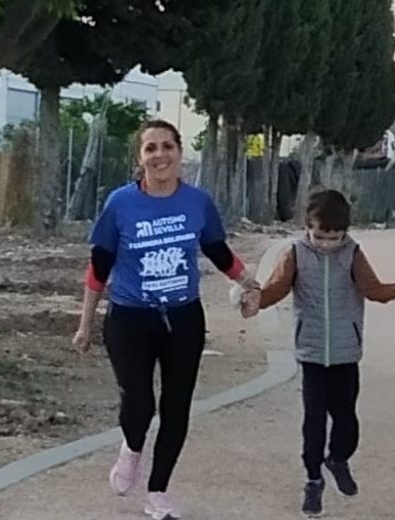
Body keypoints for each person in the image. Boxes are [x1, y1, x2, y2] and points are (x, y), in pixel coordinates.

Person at [71, 119, 260, 520]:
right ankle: (132, 445)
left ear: (180, 152)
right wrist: (85, 323)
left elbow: (217, 250)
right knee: (139, 405)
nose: (160, 155)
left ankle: (158, 491)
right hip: (129, 318)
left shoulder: (198, 202)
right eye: (150, 148)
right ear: (140, 158)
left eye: (167, 146)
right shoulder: (120, 204)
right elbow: (99, 266)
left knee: (177, 407)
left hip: (183, 317)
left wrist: (249, 282)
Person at [238, 189, 395, 517]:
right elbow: (275, 288)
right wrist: (256, 301)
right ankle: (313, 480)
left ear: (345, 231)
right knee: (313, 420)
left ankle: (338, 458)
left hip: (346, 352)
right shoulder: (296, 254)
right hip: (312, 352)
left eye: (335, 237)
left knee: (346, 418)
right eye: (320, 236)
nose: (327, 244)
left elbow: (373, 289)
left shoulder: (353, 253)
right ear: (308, 227)